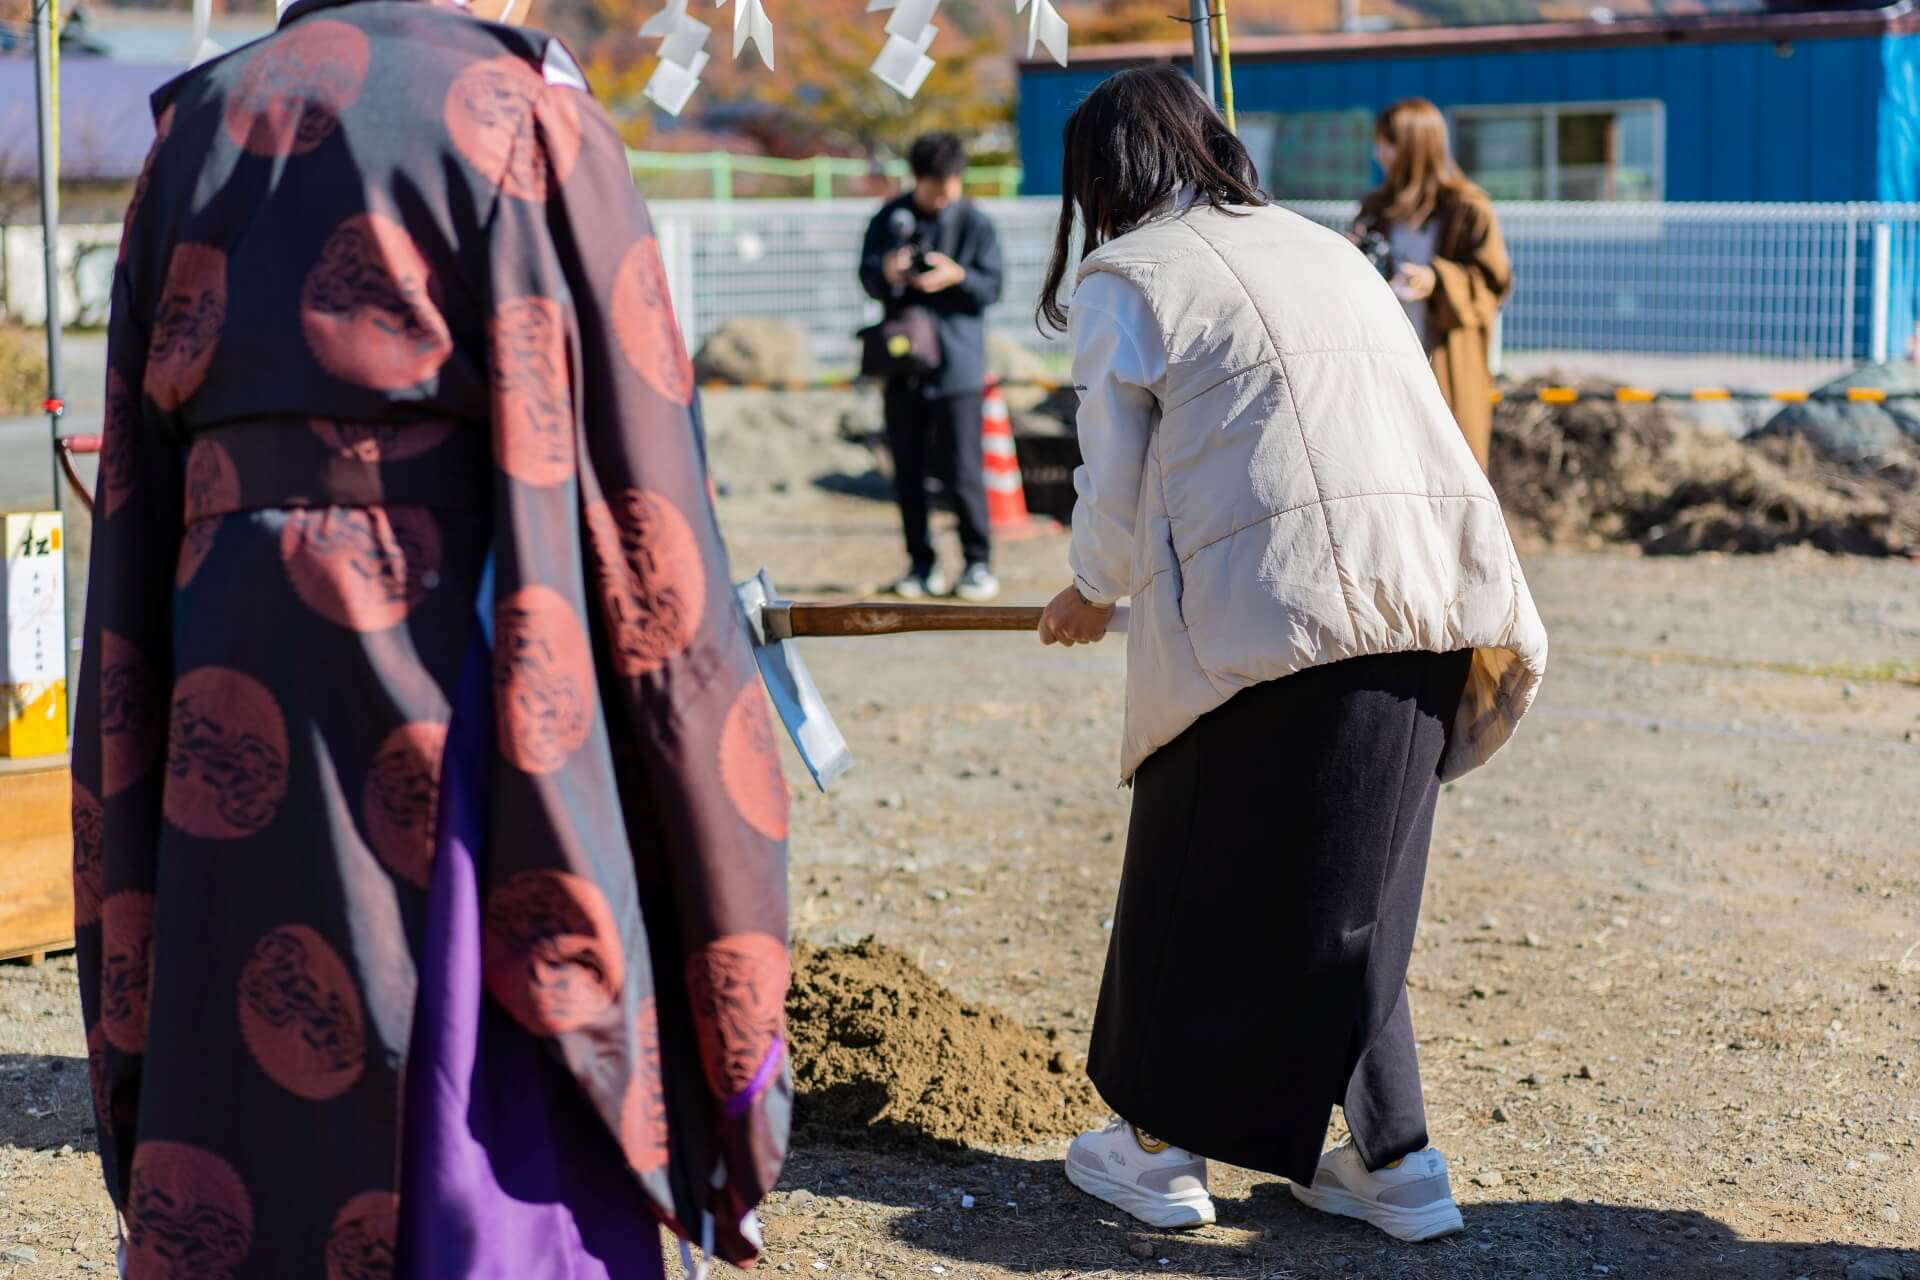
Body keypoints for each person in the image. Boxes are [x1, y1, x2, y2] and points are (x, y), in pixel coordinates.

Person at [73, 0, 791, 1274]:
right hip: (454, 643)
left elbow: (132, 501)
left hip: (221, 654)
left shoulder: (193, 128)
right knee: (465, 1073)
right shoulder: (523, 112)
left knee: (248, 1052)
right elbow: (645, 506)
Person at [1033, 66, 1548, 1243]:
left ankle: (1159, 1150)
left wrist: (1088, 589)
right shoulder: (1323, 246)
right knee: (1351, 892)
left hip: (1275, 615)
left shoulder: (1132, 276)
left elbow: (1111, 482)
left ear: (1105, 180)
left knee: (1193, 879)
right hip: (1431, 595)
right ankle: (1397, 1158)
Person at [859, 132, 1005, 601]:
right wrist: (887, 272)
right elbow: (866, 277)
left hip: (959, 365)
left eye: (950, 186)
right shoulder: (889, 218)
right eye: (933, 187)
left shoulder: (976, 223)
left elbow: (991, 288)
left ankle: (977, 563)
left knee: (964, 469)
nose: (943, 196)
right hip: (904, 363)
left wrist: (956, 275)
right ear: (916, 180)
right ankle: (920, 564)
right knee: (908, 470)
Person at [1354, 98, 1512, 471]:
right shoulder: (1377, 208)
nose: (1380, 154)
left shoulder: (1467, 207)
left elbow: (1494, 283)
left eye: (1387, 144)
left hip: (1447, 361)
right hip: (1386, 361)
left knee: (1452, 468)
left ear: (1414, 146)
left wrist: (1437, 279)